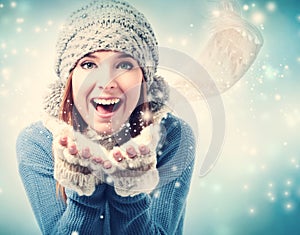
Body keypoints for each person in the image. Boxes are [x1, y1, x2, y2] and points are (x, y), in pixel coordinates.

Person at [16, 0, 195, 234]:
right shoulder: (37, 141)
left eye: (123, 64)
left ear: (144, 77)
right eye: (89, 64)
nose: (106, 82)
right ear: (69, 78)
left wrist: (130, 191)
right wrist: (83, 189)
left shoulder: (174, 136)